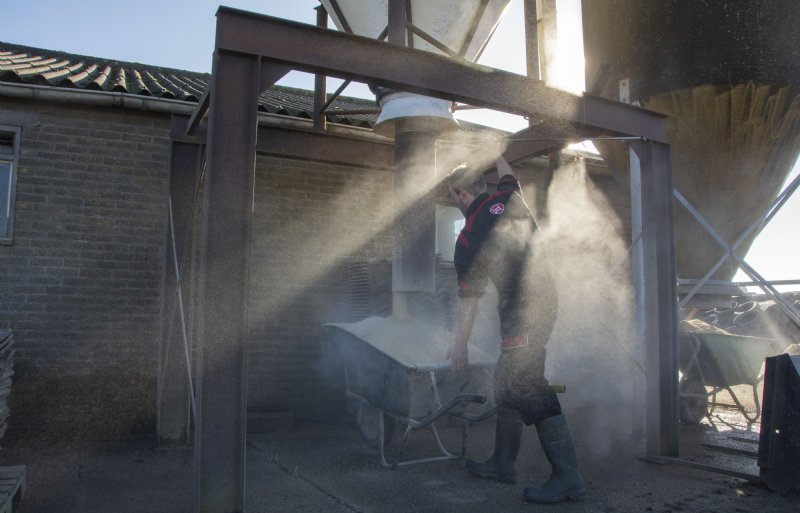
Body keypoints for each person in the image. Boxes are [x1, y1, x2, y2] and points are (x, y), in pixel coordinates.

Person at [445, 154, 585, 504]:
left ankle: (568, 476)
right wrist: (497, 156)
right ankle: (502, 463)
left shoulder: (469, 236)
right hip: (544, 301)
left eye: (452, 196)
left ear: (461, 193)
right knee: (505, 381)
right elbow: (508, 175)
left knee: (524, 384)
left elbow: (469, 299)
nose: (454, 202)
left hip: (522, 311)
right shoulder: (509, 196)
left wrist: (460, 345)